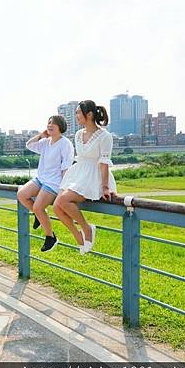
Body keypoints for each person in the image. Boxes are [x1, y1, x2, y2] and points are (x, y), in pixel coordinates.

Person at [53, 100, 117, 255]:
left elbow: (103, 163)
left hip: (93, 177)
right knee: (56, 207)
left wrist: (105, 187)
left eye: (78, 113)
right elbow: (81, 158)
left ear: (89, 114)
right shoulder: (78, 134)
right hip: (78, 173)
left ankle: (87, 229)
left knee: (63, 200)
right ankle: (79, 237)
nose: (76, 116)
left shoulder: (105, 136)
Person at [17, 115, 74, 252]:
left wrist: (62, 188)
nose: (50, 125)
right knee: (22, 195)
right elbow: (29, 145)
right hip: (41, 178)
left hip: (54, 182)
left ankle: (50, 237)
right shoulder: (45, 142)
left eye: (53, 123)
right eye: (48, 123)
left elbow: (66, 166)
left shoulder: (65, 144)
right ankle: (39, 215)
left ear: (60, 126)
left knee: (38, 207)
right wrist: (40, 135)